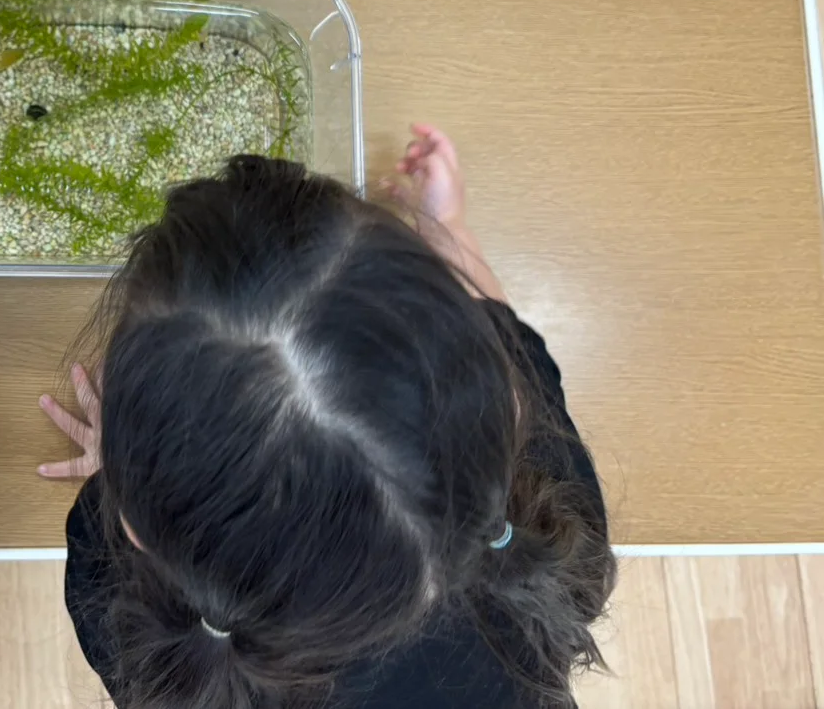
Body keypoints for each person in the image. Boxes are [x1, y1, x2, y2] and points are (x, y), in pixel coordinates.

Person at [39, 126, 616, 709]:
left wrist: (120, 467)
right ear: (504, 409)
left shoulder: (145, 642)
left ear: (134, 525)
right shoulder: (552, 529)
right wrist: (453, 232)